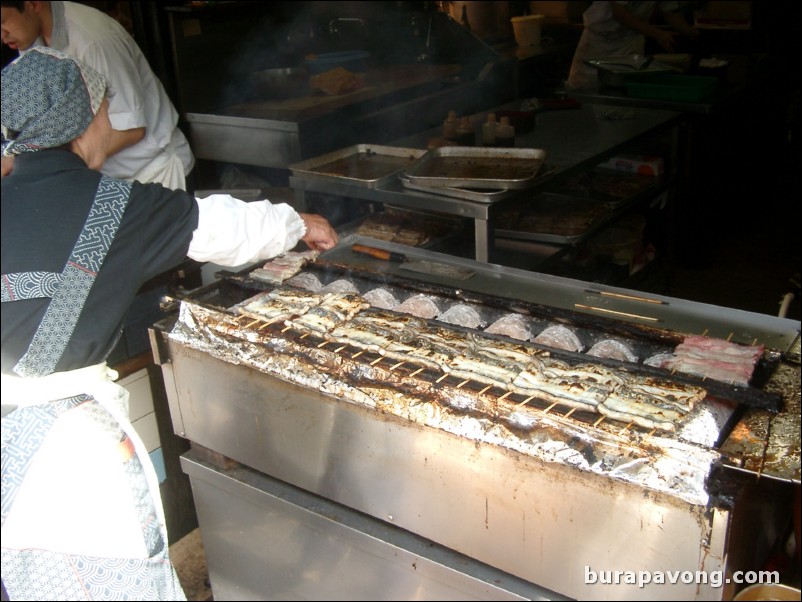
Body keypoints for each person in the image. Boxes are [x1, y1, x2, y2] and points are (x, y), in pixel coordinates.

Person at [0, 47, 338, 601]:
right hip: (60, 459)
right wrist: (296, 221)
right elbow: (223, 228)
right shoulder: (113, 208)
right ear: (87, 119)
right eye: (105, 104)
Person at [0, 0, 195, 189]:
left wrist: (44, 163)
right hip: (104, 180)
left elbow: (131, 129)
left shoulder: (94, 40)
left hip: (153, 173)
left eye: (2, 20)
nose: (2, 35)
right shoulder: (29, 43)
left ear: (33, 4)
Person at [567, 1, 700, 90]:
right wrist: (658, 34)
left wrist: (694, 33)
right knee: (585, 91)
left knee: (625, 95)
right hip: (598, 42)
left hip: (631, 42)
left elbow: (670, 13)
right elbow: (620, 14)